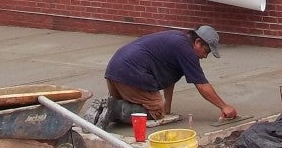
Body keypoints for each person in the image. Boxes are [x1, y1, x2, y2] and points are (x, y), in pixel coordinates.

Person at [97, 25, 238, 128]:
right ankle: (114, 109)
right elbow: (201, 85)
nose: (205, 56)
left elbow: (168, 80)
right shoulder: (186, 51)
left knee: (157, 108)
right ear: (198, 42)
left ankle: (110, 107)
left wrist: (167, 108)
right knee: (156, 112)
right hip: (131, 73)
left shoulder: (178, 41)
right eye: (206, 51)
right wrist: (224, 106)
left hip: (115, 70)